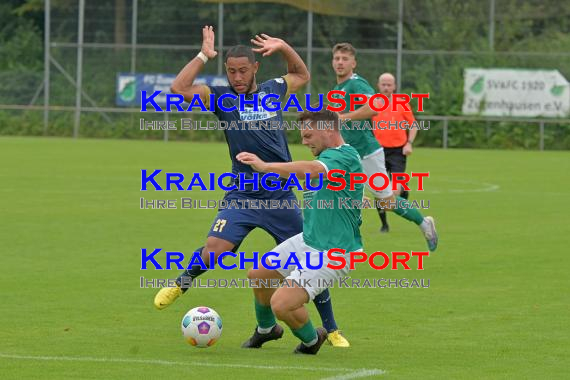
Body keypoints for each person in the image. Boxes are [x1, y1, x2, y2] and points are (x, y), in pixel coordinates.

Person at [153, 26, 349, 347]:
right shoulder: (221, 97)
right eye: (231, 71)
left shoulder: (273, 90)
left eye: (243, 70)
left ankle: (332, 328)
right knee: (215, 249)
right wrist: (205, 54)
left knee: (308, 260)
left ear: (255, 68)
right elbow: (179, 88)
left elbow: (302, 74)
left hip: (280, 197)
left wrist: (284, 45)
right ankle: (181, 283)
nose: (237, 77)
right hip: (243, 196)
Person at [239, 109, 364, 355]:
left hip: (334, 251)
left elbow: (312, 170)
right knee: (259, 274)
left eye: (308, 135)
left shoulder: (344, 155)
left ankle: (311, 340)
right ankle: (266, 330)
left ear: (329, 129)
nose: (304, 142)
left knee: (282, 304)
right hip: (309, 239)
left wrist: (265, 167)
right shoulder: (328, 159)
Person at [330, 42, 438, 248]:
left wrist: (344, 118)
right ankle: (338, 242)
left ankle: (424, 223)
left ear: (354, 63)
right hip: (349, 153)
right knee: (334, 191)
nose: (340, 62)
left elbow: (376, 105)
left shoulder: (356, 83)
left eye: (345, 59)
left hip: (367, 153)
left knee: (387, 201)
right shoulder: (338, 88)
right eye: (337, 58)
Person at [371, 72, 418, 232]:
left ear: (394, 86)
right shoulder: (372, 104)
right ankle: (384, 224)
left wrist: (409, 143)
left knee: (395, 191)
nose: (386, 87)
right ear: (378, 85)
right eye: (383, 84)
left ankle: (403, 191)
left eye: (389, 84)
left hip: (398, 151)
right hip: (378, 152)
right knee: (379, 189)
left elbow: (413, 125)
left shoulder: (402, 104)